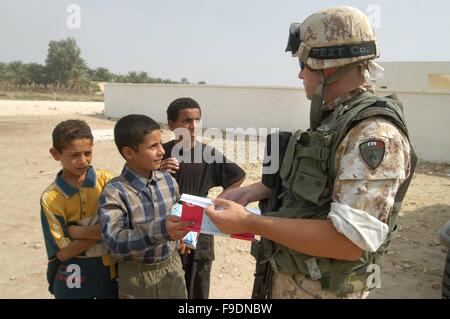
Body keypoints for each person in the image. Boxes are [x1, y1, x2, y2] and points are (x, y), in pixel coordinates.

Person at [206, 5, 416, 299]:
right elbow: (320, 193)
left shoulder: (372, 134)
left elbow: (349, 241)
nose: (300, 74)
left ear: (326, 69)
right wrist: (257, 192)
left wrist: (250, 222)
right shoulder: (336, 121)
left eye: (304, 65)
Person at [99, 114, 193, 299]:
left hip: (172, 269)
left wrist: (184, 234)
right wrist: (161, 230)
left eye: (160, 143)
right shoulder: (115, 192)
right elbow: (114, 242)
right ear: (129, 153)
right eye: (153, 146)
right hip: (137, 277)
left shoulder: (168, 180)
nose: (161, 152)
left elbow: (178, 211)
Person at [160, 97, 246, 299]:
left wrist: (212, 207)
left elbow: (238, 175)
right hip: (166, 232)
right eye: (187, 121)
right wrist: (157, 170)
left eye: (197, 120)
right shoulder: (160, 153)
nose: (193, 126)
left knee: (197, 290)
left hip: (198, 234)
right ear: (172, 124)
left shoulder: (208, 153)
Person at [40, 119, 117, 299]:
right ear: (55, 154)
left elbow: (120, 227)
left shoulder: (106, 180)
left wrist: (77, 231)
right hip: (71, 280)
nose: (83, 160)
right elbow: (64, 252)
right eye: (74, 155)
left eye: (88, 153)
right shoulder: (51, 199)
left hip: (110, 273)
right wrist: (102, 232)